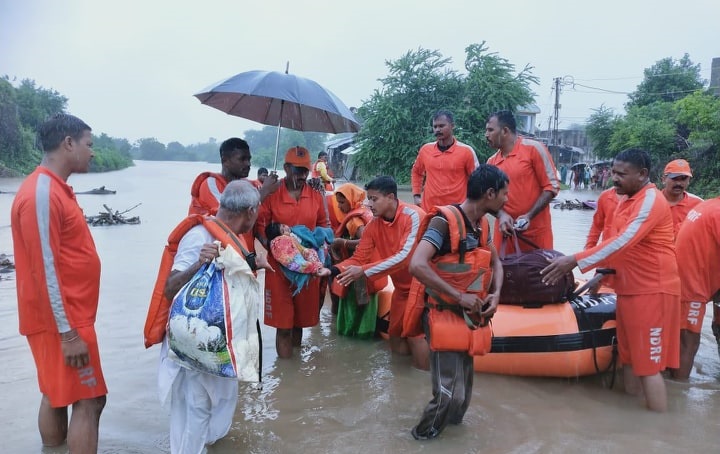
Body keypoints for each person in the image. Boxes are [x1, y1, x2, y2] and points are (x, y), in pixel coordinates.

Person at [541, 148, 680, 412]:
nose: (614, 178)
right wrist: (601, 273)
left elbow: (623, 242)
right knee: (628, 359)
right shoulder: (625, 199)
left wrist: (574, 260)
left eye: (621, 174)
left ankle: (659, 431)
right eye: (613, 172)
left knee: (648, 367)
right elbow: (612, 242)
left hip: (653, 291)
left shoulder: (650, 200)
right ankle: (630, 420)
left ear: (643, 175)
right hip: (628, 289)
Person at [11, 113, 107, 453]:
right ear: (68, 143)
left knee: (56, 393)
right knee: (90, 400)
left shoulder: (55, 190)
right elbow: (44, 268)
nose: (92, 153)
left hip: (66, 316)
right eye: (88, 144)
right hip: (63, 323)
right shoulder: (41, 193)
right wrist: (68, 334)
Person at [160, 180, 268, 453]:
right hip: (194, 345)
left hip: (218, 347)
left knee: (217, 409)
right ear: (252, 210)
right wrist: (200, 262)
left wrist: (255, 263)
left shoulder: (231, 236)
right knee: (195, 410)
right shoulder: (199, 237)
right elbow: (170, 288)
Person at [405, 164, 507, 440]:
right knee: (448, 396)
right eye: (504, 194)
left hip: (470, 318)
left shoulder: (483, 225)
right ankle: (419, 439)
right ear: (489, 193)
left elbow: (497, 264)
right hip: (442, 314)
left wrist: (496, 295)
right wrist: (460, 296)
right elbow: (417, 264)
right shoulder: (443, 222)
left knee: (462, 402)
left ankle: (450, 442)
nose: (506, 200)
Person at [333, 176, 430, 369]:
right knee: (394, 334)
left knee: (414, 334)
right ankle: (402, 384)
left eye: (374, 199)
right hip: (402, 289)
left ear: (391, 197)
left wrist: (363, 271)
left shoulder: (414, 216)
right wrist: (332, 270)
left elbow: (404, 258)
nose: (369, 204)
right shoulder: (373, 226)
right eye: (368, 199)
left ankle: (422, 383)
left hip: (423, 285)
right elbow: (359, 257)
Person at [256, 146, 330, 358]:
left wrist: (317, 248)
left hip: (306, 266)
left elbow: (324, 225)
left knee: (299, 323)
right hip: (278, 268)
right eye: (296, 170)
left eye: (305, 170)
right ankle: (285, 374)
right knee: (284, 325)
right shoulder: (272, 194)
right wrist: (276, 244)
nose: (301, 175)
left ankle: (294, 374)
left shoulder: (315, 194)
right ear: (286, 168)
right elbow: (260, 227)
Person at [485, 110, 560, 253]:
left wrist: (528, 216)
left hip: (536, 236)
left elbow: (552, 186)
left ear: (505, 131)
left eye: (490, 130)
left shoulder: (533, 149)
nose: (486, 135)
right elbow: (485, 200)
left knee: (539, 273)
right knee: (502, 273)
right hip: (505, 236)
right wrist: (501, 215)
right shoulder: (491, 163)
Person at [188, 138, 280, 252]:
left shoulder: (247, 185)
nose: (248, 164)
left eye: (249, 159)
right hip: (216, 255)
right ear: (225, 160)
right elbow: (231, 213)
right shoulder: (210, 184)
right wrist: (265, 190)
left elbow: (255, 220)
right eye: (242, 159)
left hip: (243, 254)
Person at [669, 197, 720, 379]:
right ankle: (679, 392)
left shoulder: (707, 205)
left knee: (679, 338)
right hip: (692, 286)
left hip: (681, 279)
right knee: (689, 342)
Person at [329, 183, 386, 334]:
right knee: (366, 303)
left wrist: (343, 242)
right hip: (370, 268)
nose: (339, 206)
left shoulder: (354, 221)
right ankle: (365, 333)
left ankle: (352, 334)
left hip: (358, 271)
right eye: (338, 202)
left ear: (352, 200)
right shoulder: (366, 212)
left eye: (342, 202)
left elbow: (365, 241)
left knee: (353, 304)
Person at [411, 110, 479, 212]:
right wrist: (416, 195)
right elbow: (416, 172)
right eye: (435, 127)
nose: (437, 129)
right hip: (429, 210)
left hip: (457, 211)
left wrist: (472, 204)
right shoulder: (425, 150)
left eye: (441, 126)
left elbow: (477, 180)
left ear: (452, 126)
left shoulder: (466, 151)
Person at [266, 222, 332, 286]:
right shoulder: (281, 243)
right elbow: (294, 261)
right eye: (283, 231)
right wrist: (315, 267)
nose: (286, 228)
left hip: (317, 249)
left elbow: (307, 233)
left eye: (283, 226)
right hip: (311, 257)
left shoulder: (296, 230)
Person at [660, 158, 703, 238]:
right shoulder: (652, 202)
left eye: (684, 179)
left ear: (689, 180)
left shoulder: (699, 205)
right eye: (674, 178)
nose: (679, 183)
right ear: (663, 179)